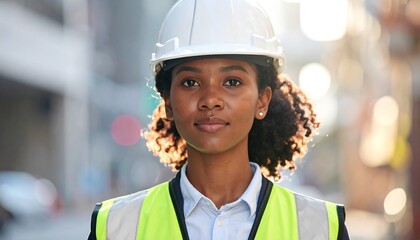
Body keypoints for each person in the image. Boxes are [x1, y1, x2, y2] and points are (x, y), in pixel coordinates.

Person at [88, 0, 350, 239]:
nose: (210, 98)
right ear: (168, 102)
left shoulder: (319, 228)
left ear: (262, 100)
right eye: (190, 82)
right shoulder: (116, 227)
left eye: (232, 81)